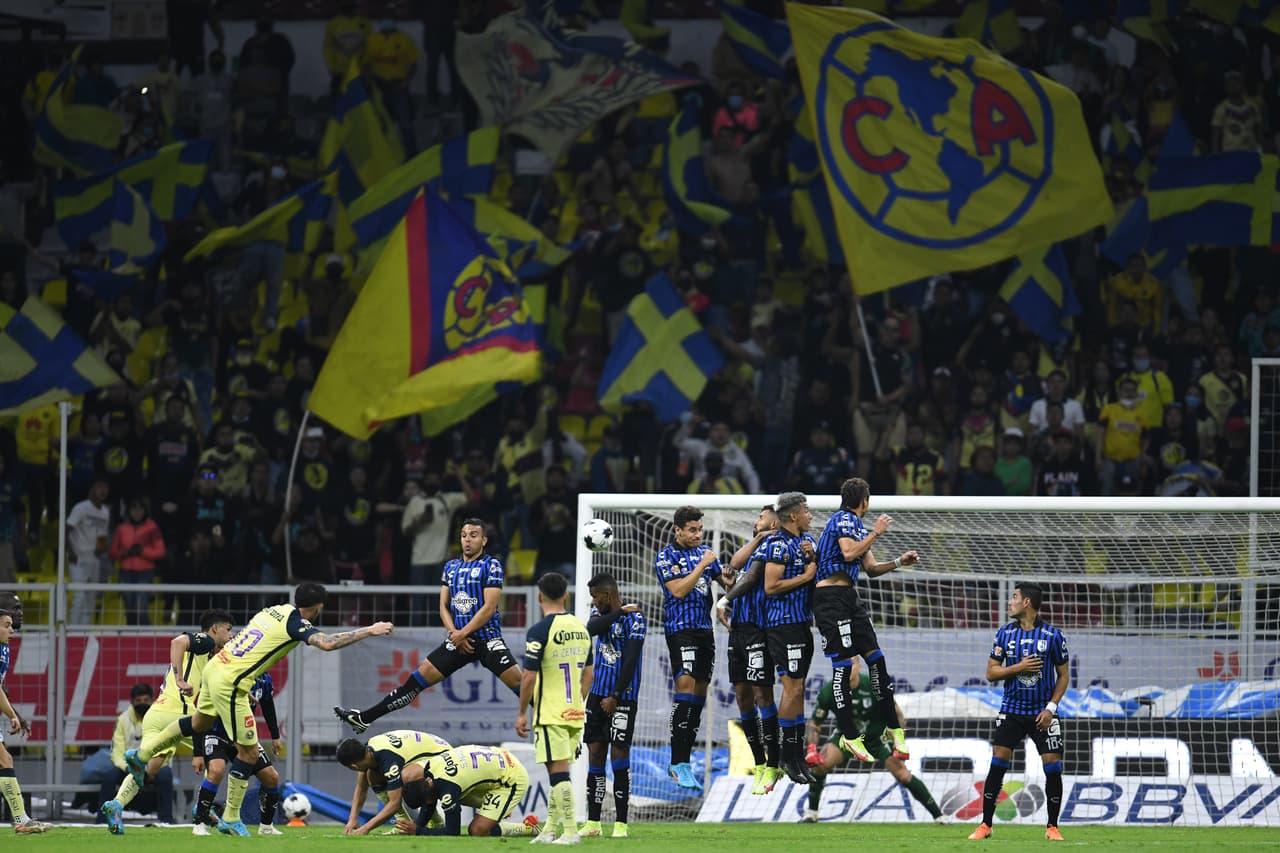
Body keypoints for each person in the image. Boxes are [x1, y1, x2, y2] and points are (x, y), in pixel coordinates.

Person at [125, 584, 392, 837]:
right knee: (250, 752)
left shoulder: (273, 610)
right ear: (317, 606)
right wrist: (370, 629)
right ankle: (230, 816)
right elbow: (328, 643)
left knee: (198, 722)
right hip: (232, 682)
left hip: (216, 668)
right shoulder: (296, 623)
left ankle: (142, 754)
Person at [334, 520, 520, 733]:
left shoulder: (491, 565)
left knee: (523, 688)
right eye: (464, 535)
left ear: (484, 540)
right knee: (414, 683)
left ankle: (558, 723)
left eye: (474, 535)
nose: (468, 539)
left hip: (488, 640)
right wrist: (453, 634)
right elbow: (442, 606)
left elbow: (489, 607)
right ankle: (363, 719)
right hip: (457, 641)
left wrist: (462, 634)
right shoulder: (451, 567)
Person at [101, 609, 234, 834]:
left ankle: (116, 805)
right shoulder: (203, 641)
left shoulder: (210, 657)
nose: (231, 635)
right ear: (214, 629)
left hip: (157, 713)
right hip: (180, 715)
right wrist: (180, 678)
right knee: (216, 761)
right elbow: (178, 641)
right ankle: (202, 810)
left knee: (148, 767)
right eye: (228, 630)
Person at [813, 478, 918, 764]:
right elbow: (849, 552)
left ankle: (894, 730)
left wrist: (898, 562)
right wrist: (877, 532)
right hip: (830, 599)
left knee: (876, 658)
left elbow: (870, 568)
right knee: (844, 665)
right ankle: (849, 733)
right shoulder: (844, 520)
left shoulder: (855, 527)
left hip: (848, 596)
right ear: (865, 501)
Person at [968, 582, 1069, 842]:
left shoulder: (1054, 636)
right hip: (1011, 711)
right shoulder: (1004, 634)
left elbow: (1064, 676)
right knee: (997, 764)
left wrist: (1051, 708)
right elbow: (991, 673)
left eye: (1014, 597)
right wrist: (1019, 667)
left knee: (1053, 766)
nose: (1009, 602)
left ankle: (1052, 827)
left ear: (1027, 603)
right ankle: (986, 824)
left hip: (1042, 713)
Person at [801, 661, 947, 824]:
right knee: (820, 765)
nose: (848, 669)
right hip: (846, 737)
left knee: (902, 774)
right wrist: (812, 749)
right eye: (844, 665)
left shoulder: (872, 686)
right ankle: (811, 813)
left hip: (876, 737)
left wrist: (899, 741)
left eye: (852, 664)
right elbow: (814, 723)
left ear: (859, 667)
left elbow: (897, 714)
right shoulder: (830, 690)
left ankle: (939, 816)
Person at [654, 505, 734, 789]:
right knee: (685, 688)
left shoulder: (705, 553)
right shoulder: (666, 556)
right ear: (678, 530)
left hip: (704, 632)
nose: (698, 534)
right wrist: (703, 565)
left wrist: (730, 582)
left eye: (700, 529)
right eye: (692, 530)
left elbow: (725, 581)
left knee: (698, 696)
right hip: (680, 630)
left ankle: (684, 762)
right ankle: (676, 762)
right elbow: (677, 590)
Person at [517, 573, 590, 845]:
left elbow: (528, 676)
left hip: (550, 712)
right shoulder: (581, 628)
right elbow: (589, 674)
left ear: (539, 597)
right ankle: (549, 829)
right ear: (566, 595)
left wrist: (522, 711)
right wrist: (577, 703)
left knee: (558, 772)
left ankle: (570, 832)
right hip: (574, 712)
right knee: (556, 771)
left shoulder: (539, 631)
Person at [718, 506, 782, 795]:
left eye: (761, 516)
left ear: (776, 521)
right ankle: (759, 763)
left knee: (761, 694)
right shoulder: (757, 543)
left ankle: (774, 762)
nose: (757, 520)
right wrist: (729, 591)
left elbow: (752, 575)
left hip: (760, 628)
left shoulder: (774, 545)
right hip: (738, 631)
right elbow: (736, 564)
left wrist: (723, 601)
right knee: (743, 698)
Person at [579, 573, 644, 838]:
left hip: (623, 697)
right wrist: (618, 613)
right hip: (596, 696)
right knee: (595, 755)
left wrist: (615, 695)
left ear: (607, 595)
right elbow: (589, 631)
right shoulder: (602, 616)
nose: (594, 601)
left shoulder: (636, 619)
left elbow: (630, 660)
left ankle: (621, 823)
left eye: (596, 596)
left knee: (619, 756)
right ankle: (593, 822)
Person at [761, 492, 818, 785]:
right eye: (807, 511)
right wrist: (806, 576)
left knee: (798, 689)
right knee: (791, 689)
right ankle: (785, 755)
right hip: (783, 625)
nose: (810, 515)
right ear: (794, 515)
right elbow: (771, 586)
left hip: (801, 625)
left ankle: (795, 756)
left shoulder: (804, 544)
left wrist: (813, 559)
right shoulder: (777, 543)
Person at [193, 672, 285, 836]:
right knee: (216, 770)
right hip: (216, 733)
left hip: (242, 735)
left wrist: (275, 735)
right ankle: (200, 823)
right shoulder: (227, 673)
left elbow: (268, 705)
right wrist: (197, 753)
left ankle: (266, 827)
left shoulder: (264, 679)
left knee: (271, 777)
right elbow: (200, 714)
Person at [395, 745, 540, 838]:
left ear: (427, 799)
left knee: (477, 830)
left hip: (511, 777)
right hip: (498, 756)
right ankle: (494, 812)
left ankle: (527, 828)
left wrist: (419, 831)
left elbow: (453, 832)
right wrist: (417, 828)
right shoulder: (429, 769)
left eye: (425, 802)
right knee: (461, 793)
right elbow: (429, 803)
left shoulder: (448, 790)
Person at [337, 730, 453, 835]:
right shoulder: (367, 752)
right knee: (372, 775)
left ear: (353, 766)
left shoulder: (388, 759)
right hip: (433, 749)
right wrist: (353, 818)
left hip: (444, 755)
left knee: (408, 776)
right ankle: (403, 824)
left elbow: (394, 804)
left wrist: (366, 828)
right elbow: (361, 788)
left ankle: (436, 822)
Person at [0, 606, 51, 833]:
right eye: (7, 624)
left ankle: (22, 820)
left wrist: (15, 715)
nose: (12, 629)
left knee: (5, 761)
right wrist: (12, 715)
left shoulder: (4, 648)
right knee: (5, 761)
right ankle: (22, 820)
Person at [99, 684, 175, 825]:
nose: (142, 704)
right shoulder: (123, 720)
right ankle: (102, 821)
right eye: (138, 701)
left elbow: (167, 749)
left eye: (146, 700)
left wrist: (150, 769)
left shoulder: (160, 718)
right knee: (109, 777)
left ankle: (166, 821)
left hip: (154, 767)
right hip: (129, 767)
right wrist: (129, 768)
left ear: (153, 701)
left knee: (166, 776)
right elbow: (117, 751)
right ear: (132, 702)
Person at [66, 479, 111, 625]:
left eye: (105, 487)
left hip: (94, 559)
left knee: (90, 599)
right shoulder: (81, 508)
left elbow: (102, 536)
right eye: (99, 486)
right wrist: (71, 552)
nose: (103, 491)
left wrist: (102, 550)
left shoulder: (105, 512)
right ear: (91, 489)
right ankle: (72, 631)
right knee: (79, 597)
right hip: (78, 558)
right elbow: (67, 529)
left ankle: (83, 632)